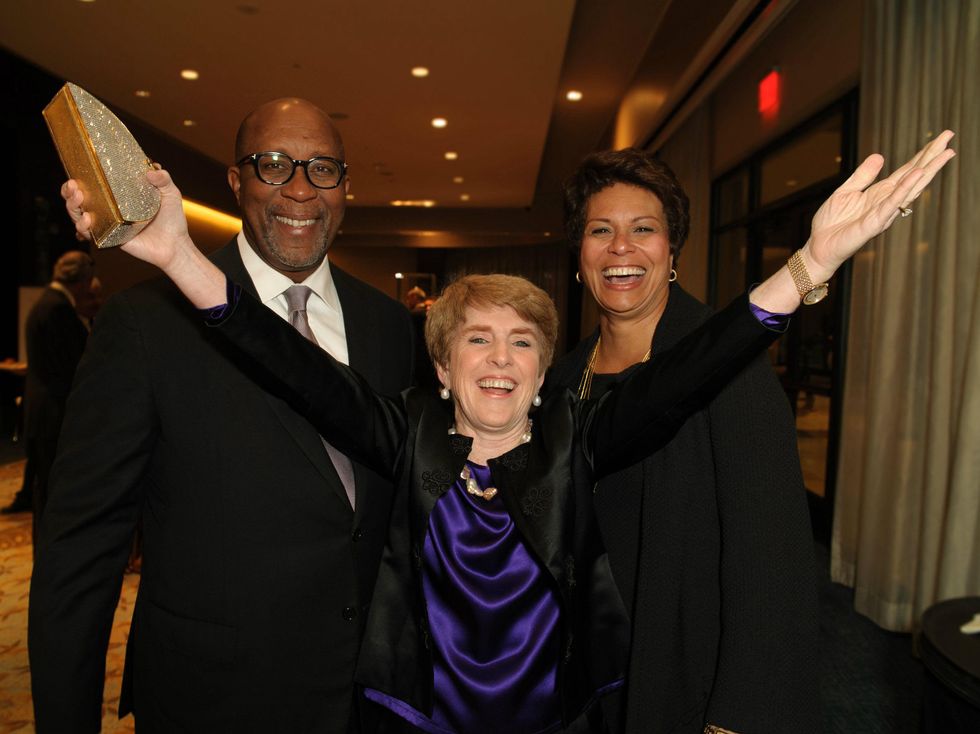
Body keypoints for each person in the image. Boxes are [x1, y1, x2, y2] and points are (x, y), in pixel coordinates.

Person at [61, 130, 954, 732]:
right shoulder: (403, 434)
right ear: (439, 367)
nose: (499, 360)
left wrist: (805, 270)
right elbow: (289, 366)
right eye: (475, 341)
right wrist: (179, 257)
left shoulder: (578, 432)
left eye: (522, 341)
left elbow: (680, 380)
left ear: (544, 369)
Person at [29, 98, 415, 733]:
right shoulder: (146, 326)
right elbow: (81, 552)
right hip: (210, 702)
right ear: (236, 182)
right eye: (272, 166)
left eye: (321, 168)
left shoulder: (389, 325)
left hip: (369, 701)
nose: (299, 189)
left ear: (346, 187)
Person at [547, 149, 819, 733]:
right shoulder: (564, 379)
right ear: (580, 255)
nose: (621, 248)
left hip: (685, 678)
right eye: (601, 230)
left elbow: (773, 564)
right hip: (586, 676)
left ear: (672, 251)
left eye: (643, 229)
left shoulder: (730, 367)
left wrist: (737, 718)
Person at [1, 252, 94, 532]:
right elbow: (70, 365)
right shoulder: (57, 308)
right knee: (53, 491)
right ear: (81, 280)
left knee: (46, 488)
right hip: (53, 413)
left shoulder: (46, 303)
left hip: (42, 412)